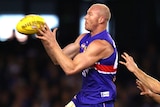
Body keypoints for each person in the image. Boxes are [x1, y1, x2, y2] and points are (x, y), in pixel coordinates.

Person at [36, 3, 118, 107]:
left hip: (98, 101)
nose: (85, 17)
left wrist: (53, 43)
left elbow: (71, 69)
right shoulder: (83, 38)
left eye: (90, 14)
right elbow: (57, 59)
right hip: (83, 97)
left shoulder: (101, 45)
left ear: (101, 20)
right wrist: (45, 39)